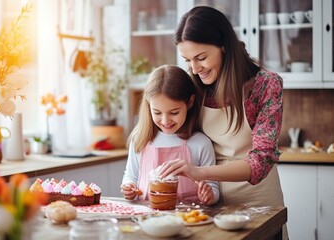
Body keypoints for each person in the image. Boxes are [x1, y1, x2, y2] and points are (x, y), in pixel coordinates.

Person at [158, 6, 287, 237]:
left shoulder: (266, 85)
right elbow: (171, 124)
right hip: (209, 200)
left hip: (258, 201)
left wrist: (200, 172)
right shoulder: (195, 86)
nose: (195, 69)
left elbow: (262, 160)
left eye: (202, 58)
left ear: (224, 46)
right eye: (188, 60)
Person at [121, 65, 219, 206]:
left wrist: (210, 195)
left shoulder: (200, 143)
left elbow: (213, 186)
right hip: (148, 220)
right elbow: (131, 175)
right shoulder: (140, 139)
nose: (165, 121)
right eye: (157, 112)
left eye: (174, 113)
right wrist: (129, 187)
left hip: (189, 221)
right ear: (149, 106)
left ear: (190, 102)